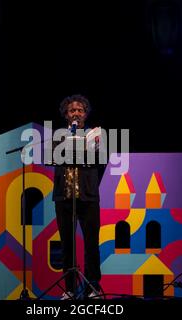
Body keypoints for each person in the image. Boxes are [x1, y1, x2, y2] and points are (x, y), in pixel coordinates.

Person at [52, 94, 102, 300]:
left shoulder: (95, 134)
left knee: (91, 243)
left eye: (80, 110)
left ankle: (92, 288)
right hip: (64, 197)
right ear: (66, 115)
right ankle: (70, 289)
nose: (76, 113)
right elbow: (56, 158)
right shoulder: (58, 136)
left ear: (85, 114)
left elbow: (101, 158)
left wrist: (97, 145)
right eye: (72, 110)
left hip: (88, 197)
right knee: (67, 245)